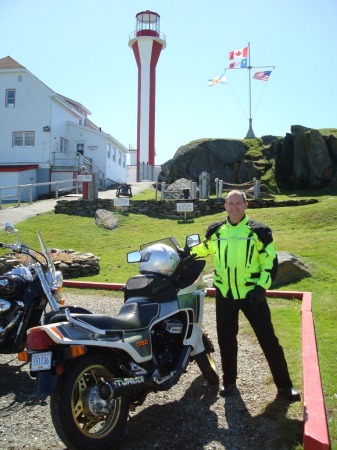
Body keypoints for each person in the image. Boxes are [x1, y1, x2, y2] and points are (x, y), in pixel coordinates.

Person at [190, 190, 300, 401]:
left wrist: (261, 289)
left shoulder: (259, 231)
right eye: (230, 203)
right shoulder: (216, 231)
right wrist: (186, 253)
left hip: (252, 296)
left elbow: (270, 262)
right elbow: (205, 248)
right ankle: (229, 381)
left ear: (245, 205)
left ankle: (285, 386)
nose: (234, 207)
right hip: (226, 295)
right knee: (226, 340)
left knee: (268, 340)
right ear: (225, 206)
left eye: (237, 203)